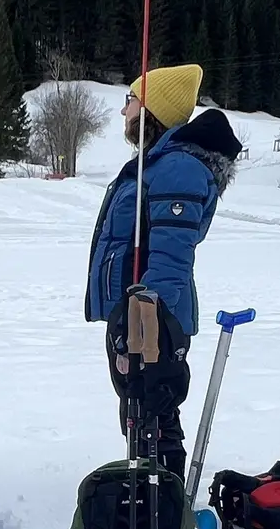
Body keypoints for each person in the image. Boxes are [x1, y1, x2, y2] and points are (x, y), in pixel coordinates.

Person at [84, 64, 241, 479]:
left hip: (153, 320)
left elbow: (171, 260)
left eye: (131, 100)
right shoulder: (156, 163)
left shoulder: (177, 168)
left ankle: (163, 503)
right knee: (139, 414)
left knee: (154, 414)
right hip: (134, 317)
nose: (124, 111)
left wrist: (147, 328)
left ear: (152, 108)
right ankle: (147, 487)